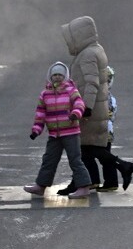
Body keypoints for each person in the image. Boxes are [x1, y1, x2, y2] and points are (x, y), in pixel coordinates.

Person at [56, 16, 133, 195]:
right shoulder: (95, 49)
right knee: (89, 148)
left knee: (82, 148)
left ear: (79, 36)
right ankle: (100, 179)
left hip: (90, 108)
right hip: (97, 107)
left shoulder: (87, 55)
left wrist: (86, 107)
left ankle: (119, 168)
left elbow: (91, 84)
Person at [23, 62, 92, 199]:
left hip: (71, 133)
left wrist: (75, 114)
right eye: (54, 75)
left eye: (60, 75)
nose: (57, 77)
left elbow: (79, 103)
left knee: (75, 160)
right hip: (54, 135)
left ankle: (84, 187)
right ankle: (41, 186)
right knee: (49, 159)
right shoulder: (45, 94)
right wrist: (36, 130)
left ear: (65, 76)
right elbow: (40, 114)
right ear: (50, 76)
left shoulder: (71, 90)